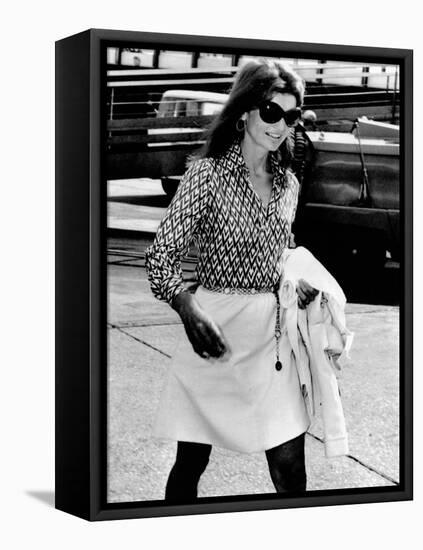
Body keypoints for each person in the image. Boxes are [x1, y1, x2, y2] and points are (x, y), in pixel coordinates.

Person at [145, 58, 319, 502]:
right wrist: (187, 308)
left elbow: (281, 249)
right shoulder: (206, 176)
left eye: (291, 115)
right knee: (191, 463)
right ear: (244, 112)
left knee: (289, 465)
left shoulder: (290, 184)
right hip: (212, 328)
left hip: (271, 336)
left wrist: (294, 279)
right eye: (272, 113)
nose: (281, 125)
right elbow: (161, 257)